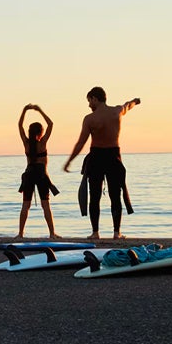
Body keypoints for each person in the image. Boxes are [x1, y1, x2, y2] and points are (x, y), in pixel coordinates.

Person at [63, 87, 140, 239]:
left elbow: (81, 143)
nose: (89, 105)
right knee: (115, 195)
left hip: (97, 157)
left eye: (89, 101)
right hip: (113, 156)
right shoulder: (117, 112)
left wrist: (69, 161)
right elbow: (127, 105)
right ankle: (117, 233)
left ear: (95, 99)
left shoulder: (90, 119)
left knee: (95, 196)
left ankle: (95, 233)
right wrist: (135, 101)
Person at [15, 104, 60, 239]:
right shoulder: (42, 143)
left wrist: (24, 110)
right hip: (41, 175)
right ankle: (52, 233)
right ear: (40, 133)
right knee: (45, 205)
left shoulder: (26, 143)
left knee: (26, 205)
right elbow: (51, 124)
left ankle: (20, 234)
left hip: (29, 175)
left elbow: (20, 126)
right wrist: (39, 110)